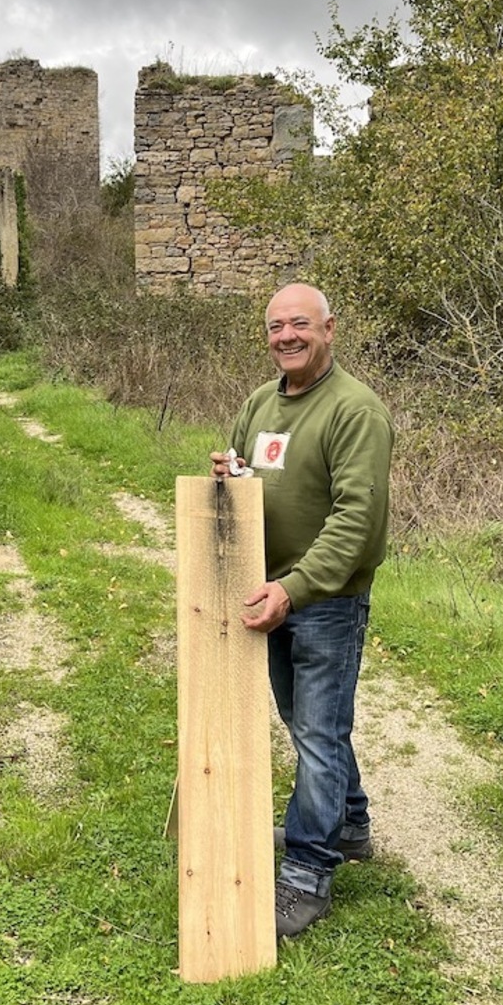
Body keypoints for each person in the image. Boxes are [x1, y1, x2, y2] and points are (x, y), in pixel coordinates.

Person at [208, 281, 394, 940]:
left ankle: (307, 874)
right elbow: (245, 472)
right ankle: (349, 825)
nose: (286, 336)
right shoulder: (261, 402)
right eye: (275, 327)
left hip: (326, 600)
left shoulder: (354, 411)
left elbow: (356, 521)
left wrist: (297, 587)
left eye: (300, 325)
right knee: (310, 721)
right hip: (272, 590)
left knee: (316, 731)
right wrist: (228, 476)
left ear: (328, 329)